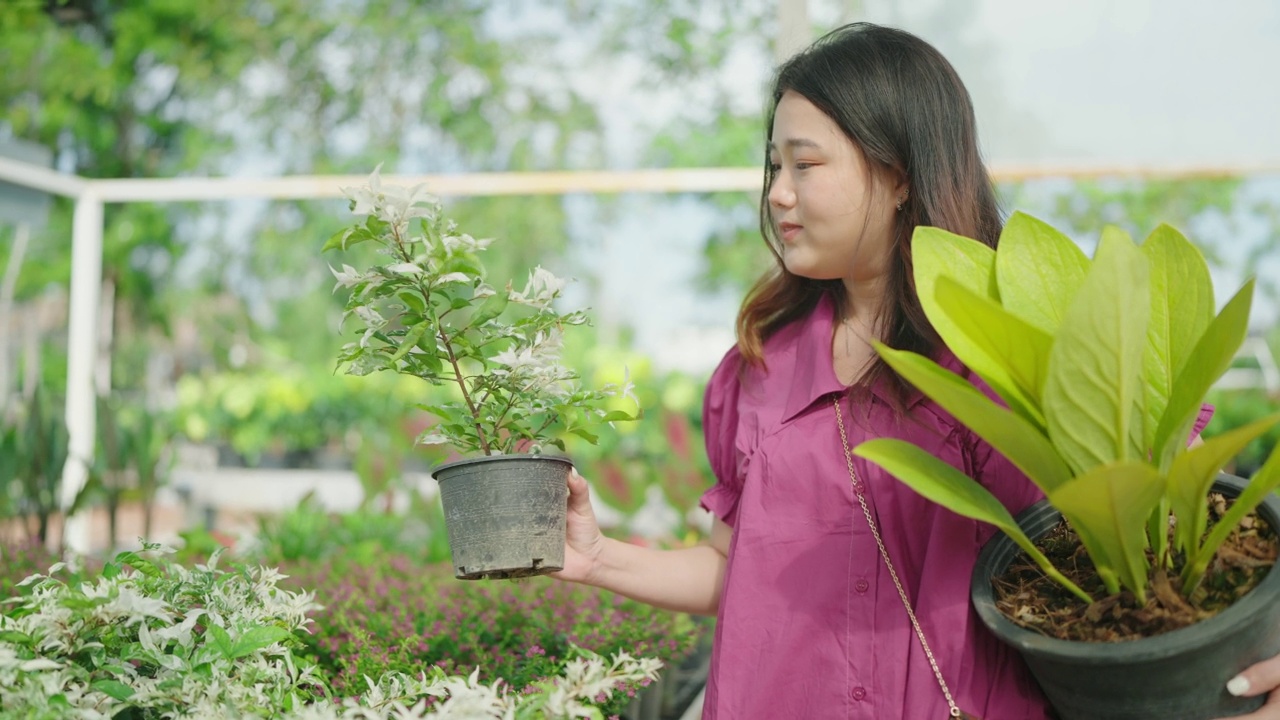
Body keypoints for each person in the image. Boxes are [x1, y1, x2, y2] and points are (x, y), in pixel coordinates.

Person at [551, 22, 1280, 719]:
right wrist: (599, 558)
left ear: (899, 175)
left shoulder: (1020, 353)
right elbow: (736, 573)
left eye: (805, 164)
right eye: (775, 165)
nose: (776, 192)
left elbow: (1177, 540)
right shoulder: (756, 372)